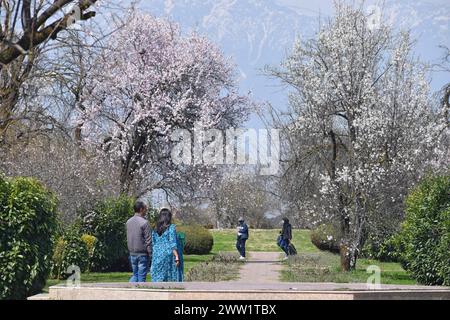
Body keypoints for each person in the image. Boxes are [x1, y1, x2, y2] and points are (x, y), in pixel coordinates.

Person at [151, 208, 183, 282]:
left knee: (158, 277)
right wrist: (177, 256)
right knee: (170, 278)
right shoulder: (171, 227)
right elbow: (172, 243)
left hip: (157, 255)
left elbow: (153, 242)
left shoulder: (155, 228)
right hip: (168, 254)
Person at [126, 201, 152, 282]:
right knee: (141, 277)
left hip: (132, 253)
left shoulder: (128, 222)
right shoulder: (144, 222)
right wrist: (151, 253)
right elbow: (148, 240)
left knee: (135, 275)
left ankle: (129, 290)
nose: (146, 210)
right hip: (142, 254)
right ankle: (140, 292)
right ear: (141, 209)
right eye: (145, 209)